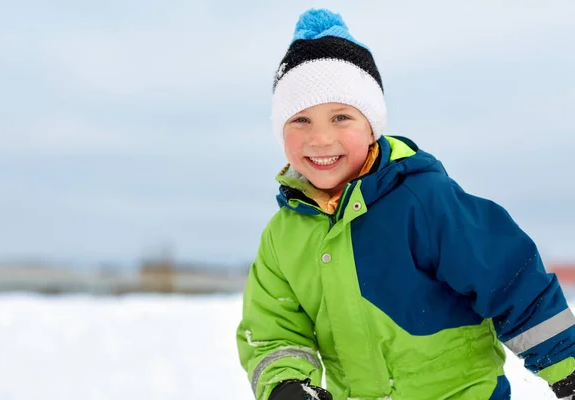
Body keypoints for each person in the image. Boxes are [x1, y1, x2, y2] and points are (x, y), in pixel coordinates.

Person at [236, 8, 575, 400]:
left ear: (372, 126)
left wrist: (568, 367)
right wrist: (285, 384)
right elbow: (273, 329)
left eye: (341, 117)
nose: (321, 139)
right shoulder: (283, 237)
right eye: (301, 121)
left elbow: (510, 280)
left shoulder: (424, 203)